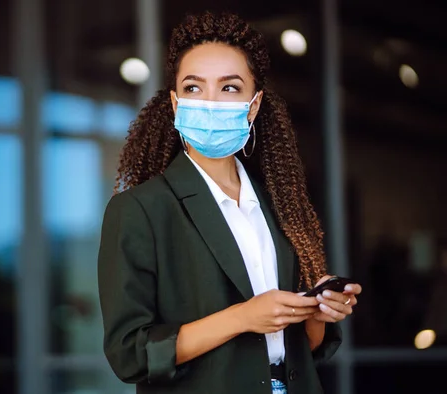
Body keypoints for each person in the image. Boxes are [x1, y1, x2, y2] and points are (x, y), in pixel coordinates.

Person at [97, 11, 362, 394]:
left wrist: (316, 314)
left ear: (253, 106)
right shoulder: (140, 210)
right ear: (174, 103)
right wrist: (242, 317)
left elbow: (305, 350)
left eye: (229, 88)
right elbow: (131, 355)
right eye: (193, 88)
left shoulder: (279, 206)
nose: (210, 102)